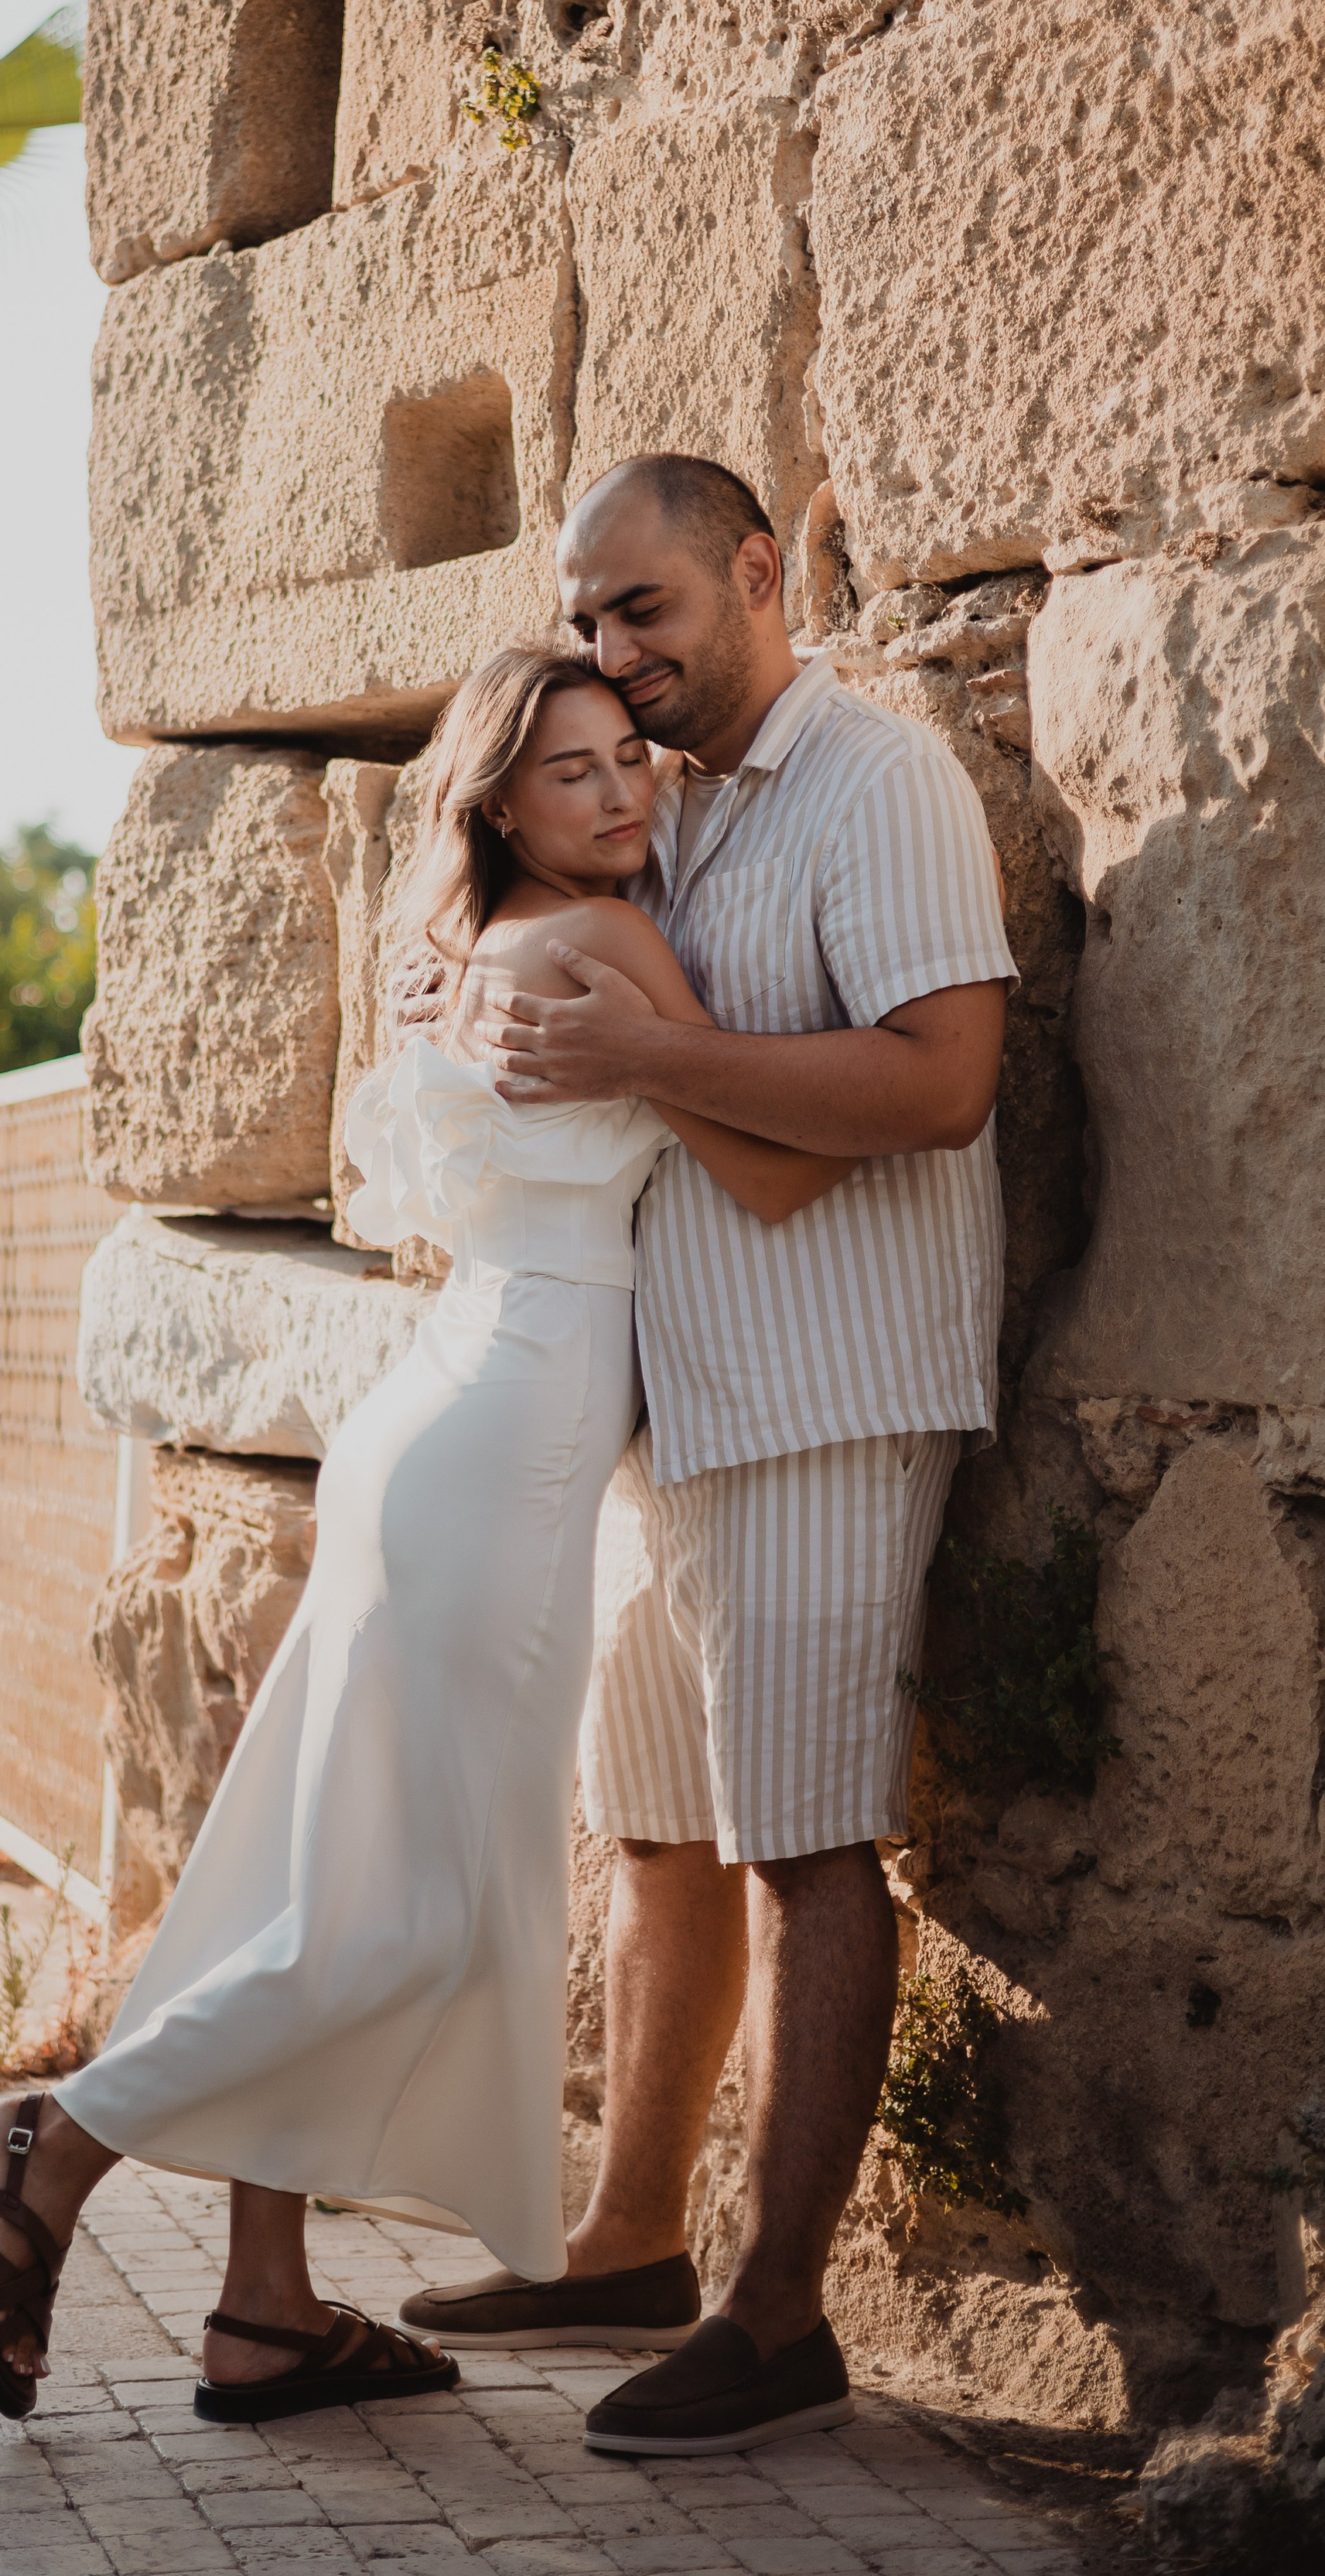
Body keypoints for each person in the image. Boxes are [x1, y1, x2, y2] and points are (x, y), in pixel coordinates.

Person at [0, 641, 852, 2427]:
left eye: (627, 764)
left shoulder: (468, 950)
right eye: (573, 771)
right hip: (500, 1442)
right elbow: (771, 1155)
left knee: (318, 1868)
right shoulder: (599, 946)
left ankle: (267, 2311)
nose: (621, 795)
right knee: (411, 1917)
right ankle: (46, 2143)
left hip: (436, 1420)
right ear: (498, 796)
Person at [396, 454, 1016, 2459]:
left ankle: (779, 2312)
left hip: (836, 1392)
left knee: (806, 1842)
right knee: (656, 1826)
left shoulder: (876, 781)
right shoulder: (658, 816)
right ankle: (634, 2240)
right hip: (675, 1410)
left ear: (764, 571)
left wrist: (655, 1058)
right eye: (590, 619)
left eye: (646, 609)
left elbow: (941, 1083)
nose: (615, 654)